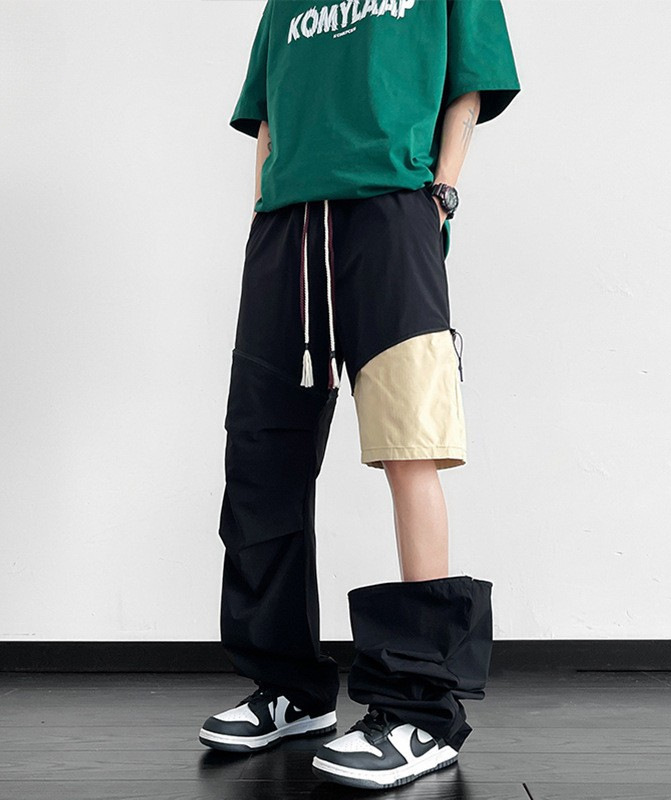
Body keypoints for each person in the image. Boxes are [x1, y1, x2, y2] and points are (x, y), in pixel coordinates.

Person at [199, 0, 521, 790]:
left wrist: (440, 194)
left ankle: (421, 710)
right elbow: (268, 116)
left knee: (410, 446)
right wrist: (265, 206)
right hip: (286, 227)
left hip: (391, 212)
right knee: (262, 456)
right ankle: (289, 688)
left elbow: (468, 86)